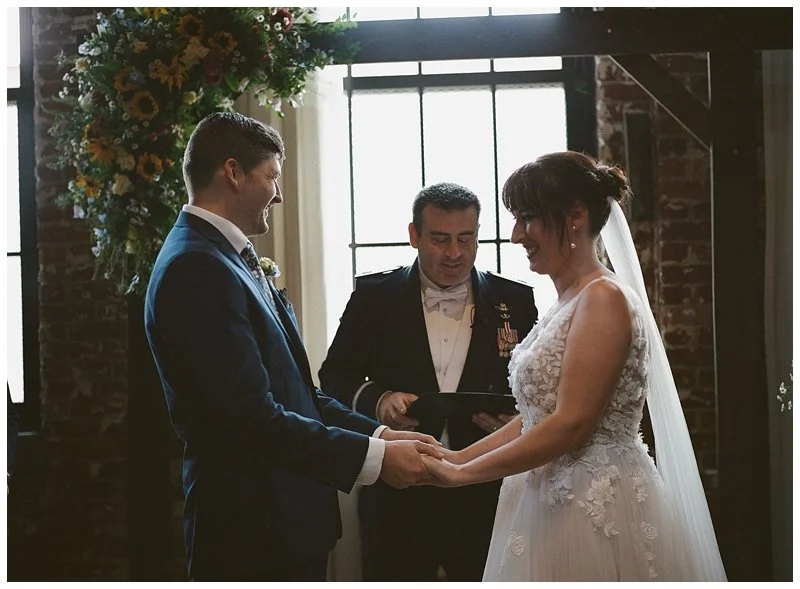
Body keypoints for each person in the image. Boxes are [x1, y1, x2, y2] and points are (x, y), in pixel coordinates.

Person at [144, 112, 443, 581]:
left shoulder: (223, 257)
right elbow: (249, 420)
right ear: (233, 173)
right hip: (250, 528)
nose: (279, 194)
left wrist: (380, 435)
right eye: (272, 177)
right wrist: (376, 461)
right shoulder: (195, 268)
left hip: (285, 520)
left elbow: (296, 391)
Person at [420, 152, 727, 581]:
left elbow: (571, 425)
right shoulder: (567, 301)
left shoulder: (603, 299)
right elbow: (536, 416)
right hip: (544, 498)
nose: (515, 235)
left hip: (591, 504)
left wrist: (464, 475)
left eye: (527, 218)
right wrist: (456, 458)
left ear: (576, 217)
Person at [319, 182, 538, 581]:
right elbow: (333, 377)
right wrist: (379, 400)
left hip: (487, 494)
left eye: (465, 239)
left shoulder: (516, 300)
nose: (455, 253)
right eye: (440, 239)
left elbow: (540, 391)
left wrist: (517, 424)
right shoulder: (374, 298)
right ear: (414, 235)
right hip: (398, 494)